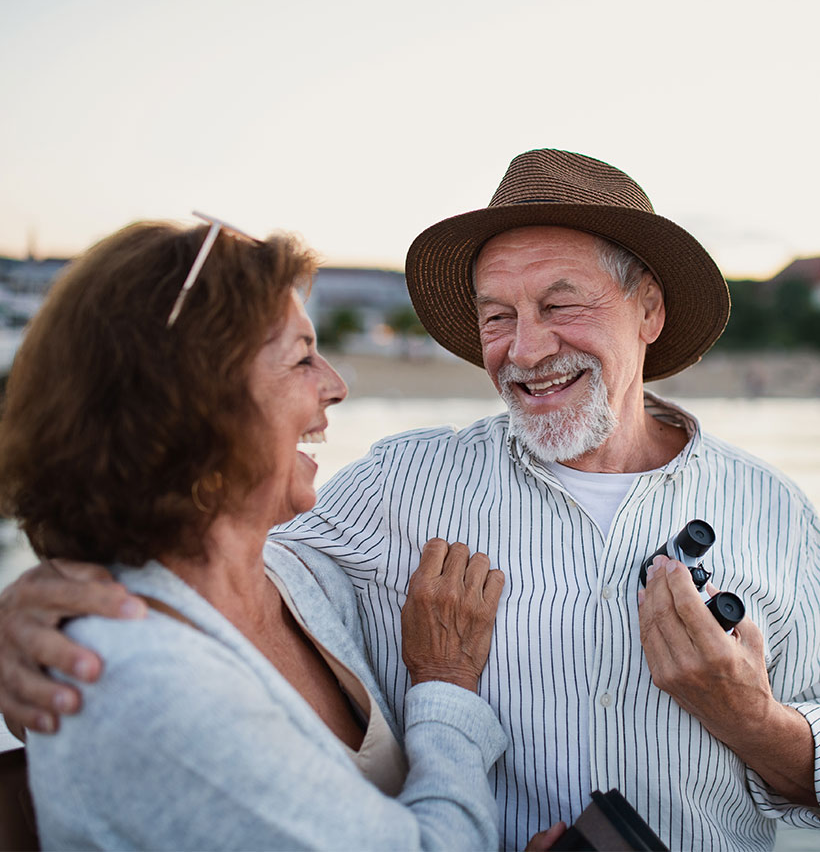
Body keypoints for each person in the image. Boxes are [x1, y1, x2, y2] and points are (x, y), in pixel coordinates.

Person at [2, 150, 819, 850]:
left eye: (560, 304)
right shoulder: (396, 487)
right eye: (497, 315)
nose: (525, 349)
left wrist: (752, 718)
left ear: (650, 310)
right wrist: (34, 602)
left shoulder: (780, 514)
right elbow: (205, 563)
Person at [0, 215, 513, 850]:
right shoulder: (148, 679)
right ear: (194, 407)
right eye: (302, 358)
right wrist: (445, 685)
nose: (336, 385)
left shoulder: (291, 573)